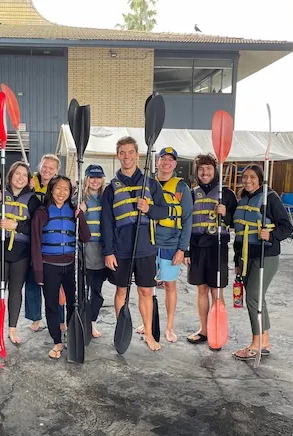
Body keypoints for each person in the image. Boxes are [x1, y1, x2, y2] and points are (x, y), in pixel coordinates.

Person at [101, 136, 171, 351]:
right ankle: (121, 329)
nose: (126, 156)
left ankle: (149, 333)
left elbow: (164, 211)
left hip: (145, 247)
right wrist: (108, 251)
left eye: (130, 152)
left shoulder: (151, 184)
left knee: (146, 292)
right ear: (117, 156)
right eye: (122, 152)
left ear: (137, 155)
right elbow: (106, 222)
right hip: (121, 249)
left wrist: (149, 209)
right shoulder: (111, 188)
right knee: (121, 291)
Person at [232, 164, 293, 360]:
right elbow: (240, 235)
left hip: (265, 256)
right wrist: (237, 260)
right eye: (245, 177)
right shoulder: (243, 198)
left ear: (260, 179)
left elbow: (287, 227)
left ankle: (255, 344)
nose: (247, 180)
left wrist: (272, 234)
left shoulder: (270, 198)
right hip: (246, 257)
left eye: (252, 177)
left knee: (253, 298)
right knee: (259, 299)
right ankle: (265, 342)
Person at [31, 175, 91, 359]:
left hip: (70, 266)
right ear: (51, 189)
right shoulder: (42, 212)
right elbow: (35, 243)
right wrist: (38, 272)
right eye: (58, 188)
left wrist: (80, 215)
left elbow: (86, 237)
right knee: (51, 305)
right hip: (49, 266)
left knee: (74, 303)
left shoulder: (73, 211)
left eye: (66, 189)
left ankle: (74, 336)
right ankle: (57, 341)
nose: (61, 193)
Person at [185, 153, 237, 348]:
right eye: (201, 169)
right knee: (202, 289)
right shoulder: (192, 193)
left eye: (208, 169)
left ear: (215, 170)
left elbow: (234, 222)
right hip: (197, 245)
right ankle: (204, 329)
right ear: (197, 172)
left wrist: (226, 214)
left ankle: (217, 329)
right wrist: (187, 250)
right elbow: (187, 224)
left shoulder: (227, 194)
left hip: (217, 245)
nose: (204, 172)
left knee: (217, 290)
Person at [0, 161, 41, 346]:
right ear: (10, 176)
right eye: (17, 174)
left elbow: (35, 227)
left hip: (21, 252)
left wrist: (15, 225)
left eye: (24, 175)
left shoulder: (33, 200)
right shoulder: (0, 195)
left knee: (16, 291)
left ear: (28, 180)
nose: (20, 178)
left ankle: (12, 329)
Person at [153, 147, 193, 343]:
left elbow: (187, 219)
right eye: (163, 159)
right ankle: (148, 322)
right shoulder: (148, 183)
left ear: (175, 164)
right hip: (149, 242)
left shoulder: (182, 188)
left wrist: (182, 249)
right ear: (157, 162)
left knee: (170, 286)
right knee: (146, 286)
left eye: (170, 160)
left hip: (171, 244)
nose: (166, 162)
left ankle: (169, 327)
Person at [24, 154, 65, 333]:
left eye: (51, 168)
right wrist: (28, 189)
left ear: (57, 171)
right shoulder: (29, 182)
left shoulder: (60, 186)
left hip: (51, 238)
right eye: (44, 166)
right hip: (29, 236)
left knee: (56, 281)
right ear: (39, 165)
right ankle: (35, 317)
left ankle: (61, 317)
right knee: (32, 279)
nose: (47, 170)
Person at [77, 164, 109, 338]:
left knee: (96, 289)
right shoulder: (79, 197)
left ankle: (92, 322)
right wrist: (79, 212)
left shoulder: (106, 197)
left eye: (98, 177)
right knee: (82, 289)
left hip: (102, 249)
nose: (95, 180)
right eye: (92, 177)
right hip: (84, 248)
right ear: (86, 179)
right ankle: (81, 320)